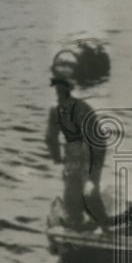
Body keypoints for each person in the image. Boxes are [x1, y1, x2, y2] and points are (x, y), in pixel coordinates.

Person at [46, 76, 110, 231]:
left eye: (62, 91)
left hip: (93, 151)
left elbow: (95, 142)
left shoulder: (82, 110)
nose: (59, 94)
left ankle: (105, 227)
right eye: (57, 91)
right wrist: (58, 161)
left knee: (89, 194)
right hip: (73, 157)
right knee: (71, 199)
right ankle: (77, 226)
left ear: (69, 91)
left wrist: (91, 178)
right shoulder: (55, 112)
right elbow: (51, 138)